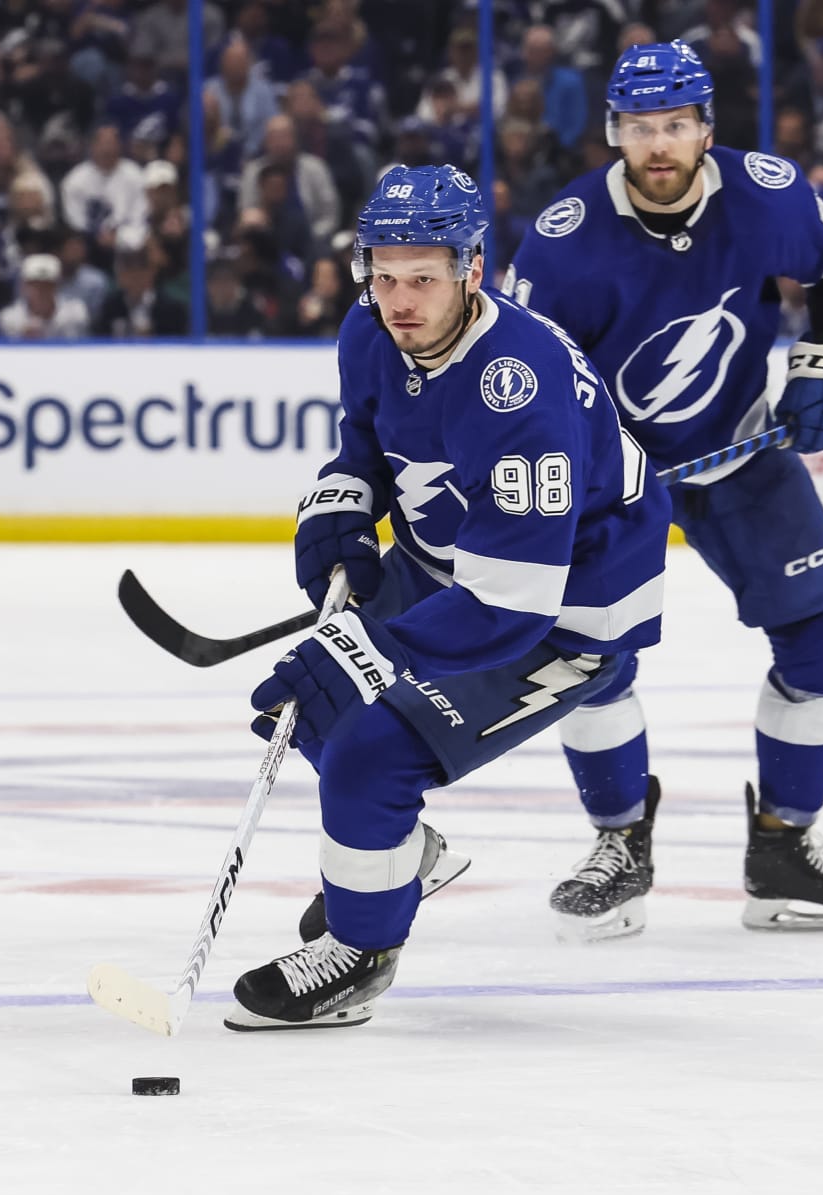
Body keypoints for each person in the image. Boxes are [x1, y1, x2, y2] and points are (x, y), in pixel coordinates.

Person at [226, 164, 672, 1031]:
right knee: (303, 706)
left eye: (423, 278)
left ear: (473, 270)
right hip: (456, 563)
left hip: (569, 605)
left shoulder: (522, 388)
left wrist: (367, 651)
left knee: (370, 757)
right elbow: (369, 440)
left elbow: (510, 606)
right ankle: (400, 858)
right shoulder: (370, 329)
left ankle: (359, 953)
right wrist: (343, 500)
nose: (398, 300)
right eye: (382, 274)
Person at [505, 41, 823, 938]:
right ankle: (619, 845)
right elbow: (520, 378)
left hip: (738, 447)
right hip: (611, 481)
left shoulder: (764, 193)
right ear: (614, 132)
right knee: (588, 659)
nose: (659, 145)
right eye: (640, 127)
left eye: (676, 125)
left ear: (706, 129)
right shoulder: (564, 244)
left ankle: (783, 849)